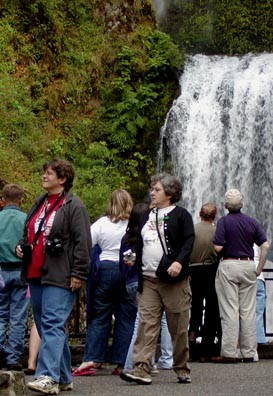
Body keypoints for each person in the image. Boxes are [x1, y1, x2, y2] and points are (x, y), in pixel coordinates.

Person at [15, 158, 91, 395]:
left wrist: (79, 273)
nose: (44, 176)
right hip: (35, 272)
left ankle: (47, 376)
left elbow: (83, 243)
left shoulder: (74, 206)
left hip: (61, 274)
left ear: (63, 179)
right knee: (47, 325)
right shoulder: (40, 203)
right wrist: (21, 246)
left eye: (49, 173)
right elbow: (30, 233)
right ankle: (65, 376)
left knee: (52, 323)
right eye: (44, 172)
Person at [120, 173, 195, 385]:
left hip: (174, 281)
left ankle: (181, 367)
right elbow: (139, 241)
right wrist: (133, 255)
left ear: (170, 194)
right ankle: (141, 368)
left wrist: (179, 262)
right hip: (148, 279)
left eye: (157, 190)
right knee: (146, 324)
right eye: (152, 189)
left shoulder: (181, 215)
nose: (152, 192)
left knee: (178, 328)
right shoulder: (147, 214)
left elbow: (189, 241)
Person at [73, 189, 135, 376]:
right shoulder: (134, 224)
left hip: (106, 269)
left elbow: (87, 243)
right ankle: (121, 362)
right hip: (127, 269)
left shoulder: (101, 223)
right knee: (126, 317)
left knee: (99, 316)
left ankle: (92, 359)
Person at [212, 189, 269, 363]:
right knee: (248, 311)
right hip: (248, 265)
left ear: (225, 205)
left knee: (230, 310)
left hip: (229, 265)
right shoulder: (251, 222)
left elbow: (218, 248)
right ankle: (250, 353)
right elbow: (265, 245)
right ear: (242, 204)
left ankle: (230, 352)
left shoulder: (223, 222)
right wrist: (259, 269)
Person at [0, 183, 29, 371]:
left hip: (1, 270)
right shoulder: (27, 219)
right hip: (21, 272)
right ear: (21, 200)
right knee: (18, 316)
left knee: (1, 314)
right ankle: (12, 357)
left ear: (2, 200)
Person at [188, 203, 221, 362]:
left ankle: (192, 338)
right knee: (211, 307)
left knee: (195, 305)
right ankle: (207, 346)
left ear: (200, 214)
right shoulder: (217, 231)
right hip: (210, 270)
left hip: (193, 270)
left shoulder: (192, 229)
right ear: (214, 216)